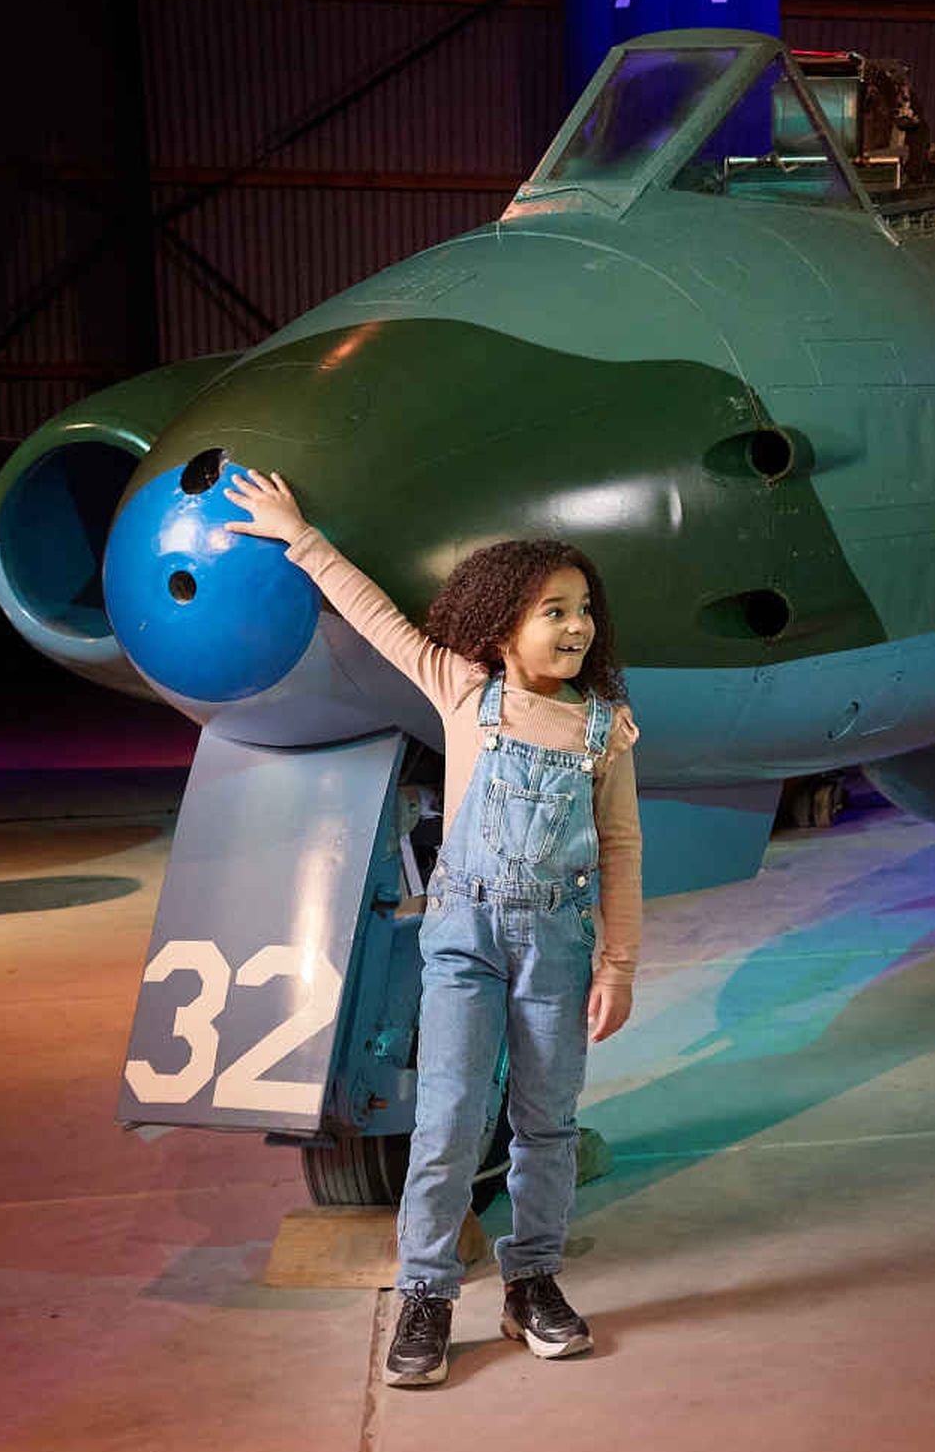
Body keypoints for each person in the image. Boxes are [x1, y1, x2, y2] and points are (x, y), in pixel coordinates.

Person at [220, 469, 643, 1392]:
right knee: (449, 1119)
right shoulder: (463, 691)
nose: (576, 628)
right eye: (552, 612)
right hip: (464, 939)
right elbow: (372, 614)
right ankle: (426, 1295)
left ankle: (532, 1282)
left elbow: (621, 847)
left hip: (560, 951)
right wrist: (297, 533)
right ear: (500, 629)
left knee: (547, 1122)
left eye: (583, 611)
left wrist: (619, 963)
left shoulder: (605, 731)